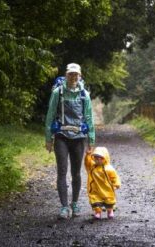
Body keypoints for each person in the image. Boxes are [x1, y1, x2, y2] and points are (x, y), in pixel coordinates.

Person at [45, 63, 95, 219]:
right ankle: (64, 207)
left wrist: (91, 140)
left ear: (79, 76)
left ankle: (75, 203)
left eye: (76, 74)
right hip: (61, 137)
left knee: (76, 173)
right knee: (62, 171)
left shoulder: (84, 95)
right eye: (70, 74)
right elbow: (50, 115)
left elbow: (89, 118)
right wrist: (48, 138)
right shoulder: (57, 93)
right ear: (66, 75)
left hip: (79, 138)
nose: (73, 77)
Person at [84, 146, 121, 219]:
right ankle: (98, 212)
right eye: (95, 158)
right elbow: (87, 163)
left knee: (109, 200)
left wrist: (116, 183)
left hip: (107, 189)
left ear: (105, 158)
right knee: (95, 200)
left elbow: (115, 177)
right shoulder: (92, 167)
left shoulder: (109, 169)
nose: (98, 160)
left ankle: (110, 211)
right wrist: (88, 155)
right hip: (95, 189)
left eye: (100, 158)